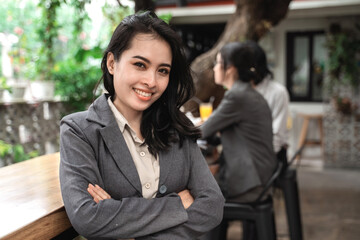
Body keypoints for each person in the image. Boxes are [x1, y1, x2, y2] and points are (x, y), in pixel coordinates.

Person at [59, 11, 224, 240]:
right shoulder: (79, 131)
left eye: (163, 71)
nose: (151, 81)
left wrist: (127, 228)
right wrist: (177, 205)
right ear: (111, 63)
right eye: (140, 64)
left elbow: (212, 205)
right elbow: (87, 217)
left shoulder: (177, 127)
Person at [200, 42, 277, 239]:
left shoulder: (237, 96)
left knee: (201, 196)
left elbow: (202, 131)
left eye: (218, 63)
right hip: (261, 177)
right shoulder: (247, 93)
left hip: (251, 183)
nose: (214, 68)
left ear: (230, 68)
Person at [246, 41, 290, 168]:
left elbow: (277, 136)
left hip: (269, 157)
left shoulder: (277, 92)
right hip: (247, 155)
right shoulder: (240, 91)